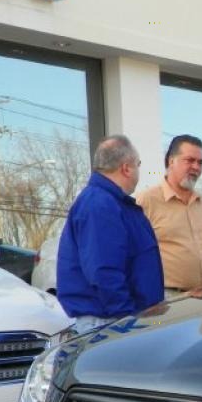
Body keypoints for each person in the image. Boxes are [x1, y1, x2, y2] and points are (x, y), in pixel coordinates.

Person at [56, 135, 164, 334]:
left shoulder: (112, 203)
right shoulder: (100, 205)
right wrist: (126, 318)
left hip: (121, 318)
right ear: (126, 168)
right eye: (138, 165)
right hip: (109, 323)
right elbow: (103, 271)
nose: (138, 171)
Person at [137, 134, 202, 296]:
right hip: (165, 300)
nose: (196, 167)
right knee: (158, 324)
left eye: (200, 162)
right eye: (189, 160)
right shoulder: (146, 202)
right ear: (170, 161)